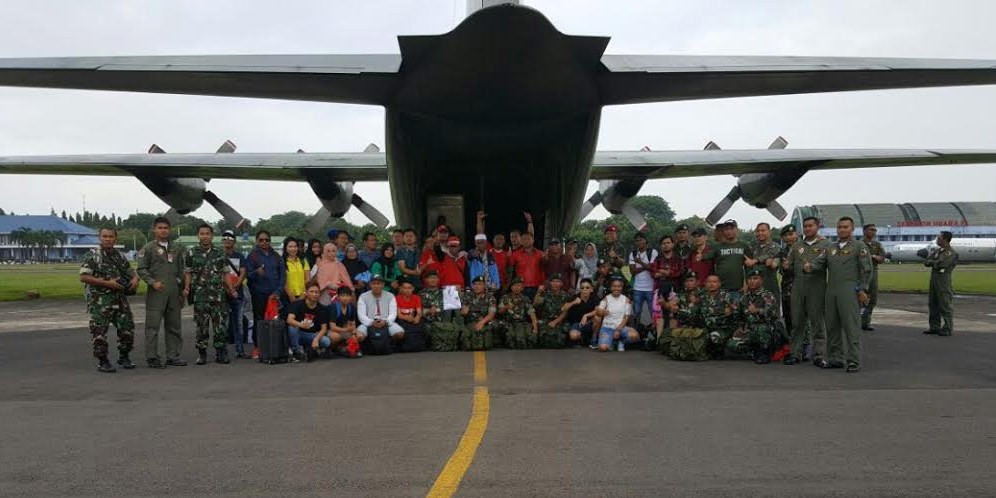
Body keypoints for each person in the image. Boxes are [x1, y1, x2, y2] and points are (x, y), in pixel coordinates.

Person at [79, 227, 139, 373]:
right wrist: (107, 283)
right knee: (99, 333)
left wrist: (135, 279)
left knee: (127, 329)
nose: (107, 239)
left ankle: (124, 356)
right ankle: (103, 361)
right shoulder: (93, 256)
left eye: (110, 236)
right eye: (104, 236)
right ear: (99, 238)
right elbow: (84, 277)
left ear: (115, 238)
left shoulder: (120, 256)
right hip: (101, 301)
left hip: (120, 299)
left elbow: (130, 271)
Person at [823, 217, 872, 373]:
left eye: (845, 227)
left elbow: (866, 269)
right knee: (832, 326)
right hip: (831, 290)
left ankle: (853, 360)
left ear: (852, 229)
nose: (842, 230)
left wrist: (863, 289)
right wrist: (809, 266)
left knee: (851, 326)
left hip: (850, 290)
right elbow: (819, 262)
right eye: (839, 227)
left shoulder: (859, 246)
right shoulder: (831, 248)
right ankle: (835, 358)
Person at [137, 216, 187, 368]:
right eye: (160, 228)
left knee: (174, 327)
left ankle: (173, 356)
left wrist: (181, 292)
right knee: (152, 327)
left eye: (166, 228)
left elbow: (181, 271)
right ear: (154, 230)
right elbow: (141, 269)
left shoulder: (176, 249)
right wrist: (152, 282)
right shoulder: (148, 248)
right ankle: (152, 357)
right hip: (156, 295)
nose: (163, 230)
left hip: (173, 294)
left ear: (169, 230)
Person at [184, 224, 235, 365]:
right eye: (202, 233)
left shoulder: (220, 253)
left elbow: (226, 273)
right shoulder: (191, 253)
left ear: (212, 236)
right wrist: (187, 287)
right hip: (200, 295)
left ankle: (221, 352)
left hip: (218, 296)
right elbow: (188, 272)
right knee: (201, 326)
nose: (205, 236)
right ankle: (202, 353)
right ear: (198, 236)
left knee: (220, 326)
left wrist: (231, 289)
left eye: (207, 233)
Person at [784, 217, 830, 366]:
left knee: (817, 323)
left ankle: (818, 356)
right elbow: (789, 265)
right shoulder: (797, 246)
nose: (808, 229)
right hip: (798, 287)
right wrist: (786, 265)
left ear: (817, 227)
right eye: (805, 226)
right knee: (797, 323)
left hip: (816, 288)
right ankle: (795, 353)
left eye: (811, 226)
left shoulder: (826, 244)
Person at [246, 230, 285, 358]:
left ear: (270, 241)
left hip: (274, 295)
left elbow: (282, 276)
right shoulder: (253, 256)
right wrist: (256, 272)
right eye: (261, 240)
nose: (264, 242)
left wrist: (278, 291)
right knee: (260, 321)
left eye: (266, 240)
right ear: (257, 241)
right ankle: (258, 347)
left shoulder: (276, 256)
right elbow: (247, 276)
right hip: (259, 294)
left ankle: (275, 346)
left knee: (275, 321)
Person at [737, 268, 781, 364]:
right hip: (750, 329)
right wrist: (740, 328)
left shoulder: (767, 295)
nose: (752, 281)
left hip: (767, 328)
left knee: (762, 329)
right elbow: (741, 316)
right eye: (750, 279)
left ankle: (765, 353)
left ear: (761, 280)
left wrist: (757, 310)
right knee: (732, 343)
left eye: (755, 278)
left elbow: (771, 314)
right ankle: (753, 351)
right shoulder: (744, 298)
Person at [702, 220, 756, 299]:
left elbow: (749, 268)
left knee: (736, 310)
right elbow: (706, 258)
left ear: (737, 230)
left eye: (731, 228)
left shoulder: (743, 245)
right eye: (726, 229)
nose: (729, 231)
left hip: (737, 289)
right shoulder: (717, 247)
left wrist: (747, 284)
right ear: (723, 231)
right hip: (719, 288)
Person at [221, 230, 250, 359]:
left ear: (234, 241)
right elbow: (218, 274)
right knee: (223, 323)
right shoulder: (218, 256)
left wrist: (236, 285)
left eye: (230, 238)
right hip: (223, 293)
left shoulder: (239, 256)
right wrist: (228, 289)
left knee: (238, 323)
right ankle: (222, 351)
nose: (228, 240)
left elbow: (243, 271)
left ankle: (240, 350)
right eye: (225, 237)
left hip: (237, 293)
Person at [924, 231, 959, 337]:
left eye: (939, 238)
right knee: (933, 303)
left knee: (945, 304)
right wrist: (934, 262)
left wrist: (933, 262)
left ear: (945, 239)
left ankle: (947, 328)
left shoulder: (950, 253)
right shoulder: (938, 251)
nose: (937, 240)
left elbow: (942, 264)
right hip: (934, 279)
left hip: (943, 280)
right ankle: (934, 327)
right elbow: (927, 261)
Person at [286, 281, 330, 362]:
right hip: (298, 334)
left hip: (311, 335)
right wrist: (301, 325)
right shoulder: (297, 304)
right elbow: (289, 320)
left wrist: (316, 339)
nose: (314, 294)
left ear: (319, 294)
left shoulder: (322, 309)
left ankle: (309, 349)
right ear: (306, 293)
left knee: (326, 341)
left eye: (316, 292)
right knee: (292, 328)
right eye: (311, 292)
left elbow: (324, 328)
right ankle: (297, 351)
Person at [698, 274, 739, 358]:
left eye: (714, 282)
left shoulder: (726, 296)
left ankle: (719, 349)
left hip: (723, 329)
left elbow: (737, 313)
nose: (711, 284)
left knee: (714, 337)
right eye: (709, 282)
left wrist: (731, 312)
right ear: (705, 284)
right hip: (707, 328)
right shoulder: (702, 297)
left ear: (719, 284)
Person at [595, 276, 639, 351]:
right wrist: (602, 312)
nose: (616, 289)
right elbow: (598, 312)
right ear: (611, 287)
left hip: (621, 327)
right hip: (607, 327)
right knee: (602, 348)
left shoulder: (626, 300)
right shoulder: (606, 299)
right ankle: (611, 342)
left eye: (619, 286)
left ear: (622, 287)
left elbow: (626, 317)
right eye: (614, 286)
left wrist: (618, 330)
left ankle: (621, 341)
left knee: (634, 336)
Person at [357, 274, 404, 343]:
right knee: (359, 336)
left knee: (399, 334)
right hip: (369, 322)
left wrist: (385, 321)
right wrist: (371, 322)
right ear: (370, 285)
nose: (376, 286)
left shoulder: (390, 296)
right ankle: (370, 346)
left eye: (379, 283)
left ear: (383, 285)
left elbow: (393, 314)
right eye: (374, 283)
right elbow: (361, 315)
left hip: (385, 321)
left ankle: (387, 345)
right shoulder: (363, 296)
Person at [628, 232, 658, 331]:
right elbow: (632, 271)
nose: (639, 242)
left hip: (650, 287)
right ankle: (636, 334)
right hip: (637, 288)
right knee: (636, 313)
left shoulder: (653, 252)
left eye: (641, 239)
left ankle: (654, 334)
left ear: (645, 240)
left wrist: (639, 262)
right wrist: (647, 266)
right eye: (637, 240)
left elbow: (653, 268)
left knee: (653, 312)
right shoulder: (633, 254)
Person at [498, 277, 538, 349]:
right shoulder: (505, 297)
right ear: (511, 287)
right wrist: (506, 307)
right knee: (511, 342)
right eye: (515, 286)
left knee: (528, 341)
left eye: (519, 286)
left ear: (522, 288)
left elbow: (532, 314)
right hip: (508, 323)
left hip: (521, 323)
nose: (516, 288)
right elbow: (499, 312)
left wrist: (535, 327)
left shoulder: (525, 299)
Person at [860, 224, 887, 331]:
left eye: (875, 230)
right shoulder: (859, 244)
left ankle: (866, 322)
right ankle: (858, 321)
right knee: (860, 297)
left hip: (873, 272)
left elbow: (882, 258)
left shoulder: (877, 245)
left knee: (873, 298)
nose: (874, 232)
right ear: (864, 231)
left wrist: (874, 256)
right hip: (861, 273)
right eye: (871, 230)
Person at [533, 273, 570, 348]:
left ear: (561, 284)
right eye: (553, 281)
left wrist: (555, 321)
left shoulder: (566, 296)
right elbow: (535, 303)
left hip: (559, 321)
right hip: (546, 320)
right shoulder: (545, 294)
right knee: (542, 338)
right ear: (550, 283)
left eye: (558, 281)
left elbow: (566, 312)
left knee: (559, 341)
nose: (555, 284)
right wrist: (538, 292)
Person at [461, 275, 498, 350]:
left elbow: (491, 314)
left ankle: (495, 340)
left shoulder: (490, 297)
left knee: (496, 325)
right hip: (471, 321)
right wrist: (464, 310)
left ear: (484, 285)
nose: (477, 286)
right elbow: (463, 313)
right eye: (475, 284)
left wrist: (482, 322)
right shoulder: (468, 296)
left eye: (479, 284)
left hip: (486, 321)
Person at [563, 278, 600, 347]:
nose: (584, 290)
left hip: (590, 323)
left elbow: (598, 310)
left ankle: (593, 339)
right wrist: (573, 302)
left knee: (597, 318)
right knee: (573, 336)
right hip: (576, 324)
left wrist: (586, 315)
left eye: (587, 288)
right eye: (582, 288)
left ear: (591, 289)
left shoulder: (594, 297)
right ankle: (584, 339)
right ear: (580, 289)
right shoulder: (575, 297)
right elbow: (563, 308)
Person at [751, 223, 782, 305]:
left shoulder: (776, 246)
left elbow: (774, 263)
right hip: (754, 288)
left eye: (763, 230)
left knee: (772, 312)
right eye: (758, 231)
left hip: (770, 286)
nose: (760, 233)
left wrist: (757, 260)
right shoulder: (753, 247)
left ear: (769, 232)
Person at [509, 231, 544, 300]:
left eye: (528, 239)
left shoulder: (540, 254)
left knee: (536, 308)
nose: (526, 241)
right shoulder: (515, 254)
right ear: (521, 241)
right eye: (524, 239)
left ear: (533, 240)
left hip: (537, 287)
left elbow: (544, 270)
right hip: (521, 287)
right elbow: (509, 270)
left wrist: (543, 284)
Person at [778, 225, 799, 338]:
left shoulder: (804, 249)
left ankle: (805, 347)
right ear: (782, 238)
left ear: (796, 235)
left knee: (801, 319)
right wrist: (785, 268)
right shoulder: (782, 253)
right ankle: (792, 346)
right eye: (786, 235)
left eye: (791, 234)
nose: (789, 237)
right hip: (787, 290)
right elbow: (781, 271)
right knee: (788, 317)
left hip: (802, 289)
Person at [328, 286, 362, 356]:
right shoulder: (333, 307)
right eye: (342, 296)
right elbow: (332, 327)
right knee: (336, 337)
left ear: (350, 297)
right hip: (331, 331)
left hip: (343, 330)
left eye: (347, 296)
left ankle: (345, 348)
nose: (345, 298)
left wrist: (354, 334)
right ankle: (331, 349)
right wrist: (346, 329)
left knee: (359, 336)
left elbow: (353, 324)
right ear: (338, 297)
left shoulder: (351, 307)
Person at [282, 237, 311, 304]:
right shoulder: (282, 262)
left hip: (303, 295)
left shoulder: (303, 261)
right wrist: (290, 296)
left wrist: (304, 293)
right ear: (285, 248)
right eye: (290, 247)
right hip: (287, 297)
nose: (293, 249)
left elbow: (308, 280)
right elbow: (283, 281)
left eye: (295, 246)